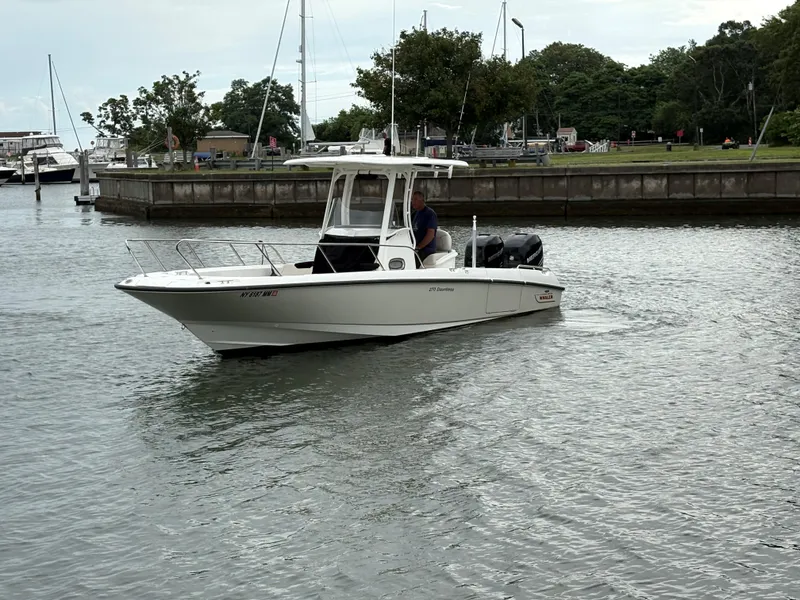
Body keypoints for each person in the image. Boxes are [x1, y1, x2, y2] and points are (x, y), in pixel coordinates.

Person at [411, 191, 437, 266]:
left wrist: (419, 247)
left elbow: (430, 234)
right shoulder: (414, 214)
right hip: (414, 247)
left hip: (426, 249)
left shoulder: (430, 214)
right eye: (412, 199)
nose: (413, 202)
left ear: (422, 200)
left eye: (415, 199)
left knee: (412, 260)